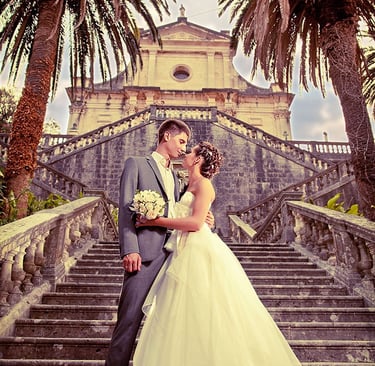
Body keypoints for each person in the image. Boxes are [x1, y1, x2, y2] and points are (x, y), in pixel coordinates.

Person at [133, 141, 301, 366]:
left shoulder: (204, 185)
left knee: (203, 307)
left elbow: (194, 223)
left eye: (190, 151)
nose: (185, 152)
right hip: (183, 248)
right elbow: (194, 216)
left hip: (197, 249)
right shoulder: (185, 184)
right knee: (181, 311)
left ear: (198, 160)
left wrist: (153, 221)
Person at [105, 118, 193, 366]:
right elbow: (125, 209)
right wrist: (130, 249)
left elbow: (179, 210)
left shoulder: (176, 177)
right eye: (181, 141)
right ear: (166, 136)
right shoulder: (137, 164)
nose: (184, 148)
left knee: (169, 320)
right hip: (143, 254)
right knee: (129, 319)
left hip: (173, 255)